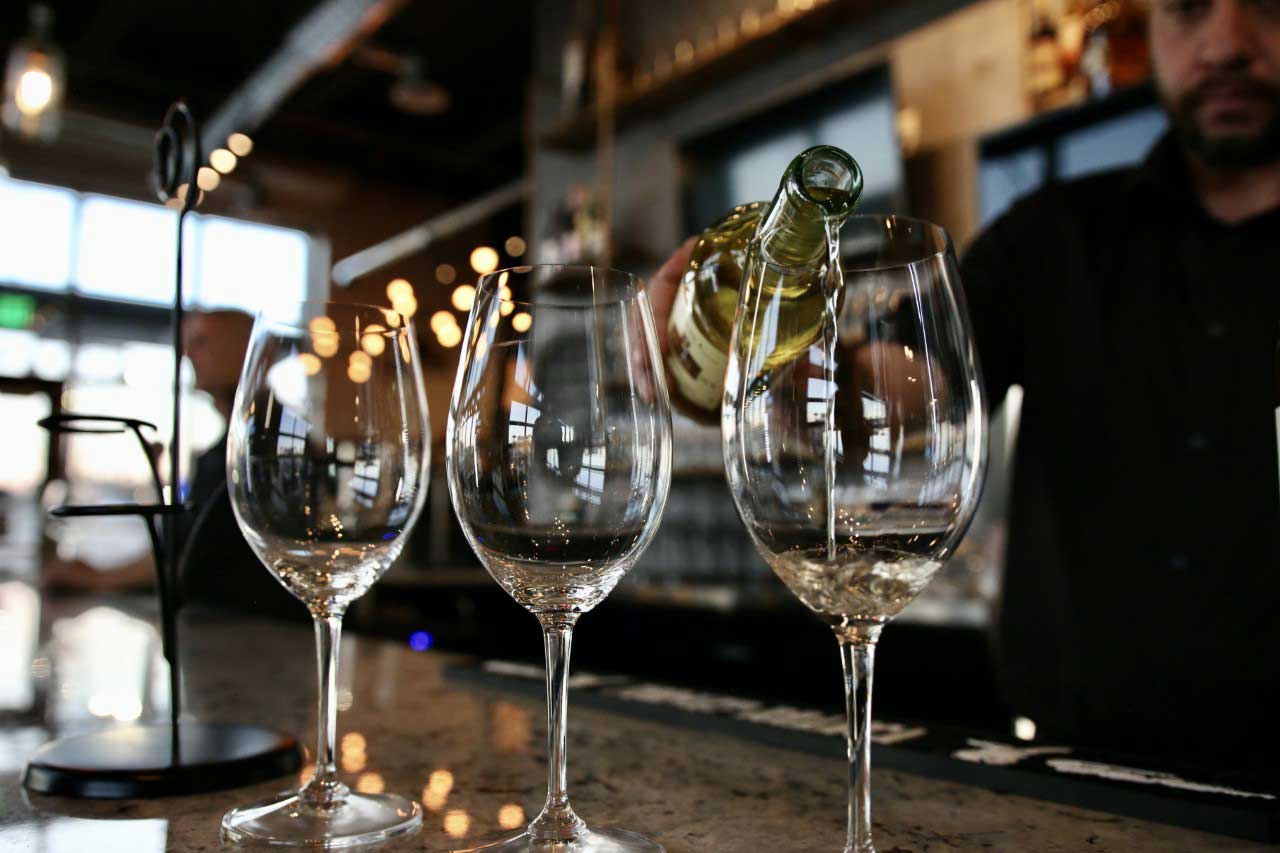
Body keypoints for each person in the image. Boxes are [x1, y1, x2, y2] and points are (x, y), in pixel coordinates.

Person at [650, 0, 1280, 771]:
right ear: (1148, 27)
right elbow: (908, 379)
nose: (1226, 44)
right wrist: (767, 375)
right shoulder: (1053, 235)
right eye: (1187, 10)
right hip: (1074, 765)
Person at [44, 310, 301, 620]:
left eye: (201, 342)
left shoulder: (274, 446)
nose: (187, 354)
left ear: (254, 350)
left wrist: (96, 579)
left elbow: (199, 558)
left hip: (254, 637)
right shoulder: (236, 444)